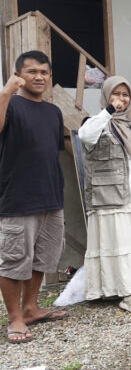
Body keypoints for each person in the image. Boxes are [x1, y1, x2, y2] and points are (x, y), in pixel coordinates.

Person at [0, 51, 67, 343]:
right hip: (18, 197)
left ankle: (30, 308)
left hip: (51, 196)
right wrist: (5, 92)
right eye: (31, 72)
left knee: (42, 258)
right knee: (14, 260)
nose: (39, 77)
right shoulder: (11, 105)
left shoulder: (53, 112)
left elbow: (51, 152)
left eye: (44, 72)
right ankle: (14, 318)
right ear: (18, 75)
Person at [79, 76, 131, 314]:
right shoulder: (97, 122)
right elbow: (85, 135)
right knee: (116, 245)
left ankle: (128, 289)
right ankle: (128, 293)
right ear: (106, 96)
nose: (121, 100)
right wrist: (108, 111)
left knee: (129, 245)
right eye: (116, 94)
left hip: (130, 194)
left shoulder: (127, 126)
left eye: (125, 96)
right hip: (108, 196)